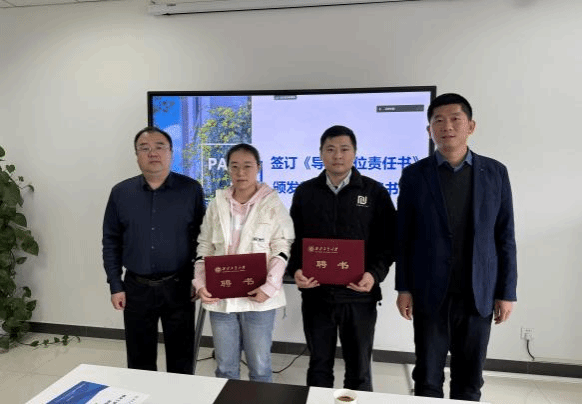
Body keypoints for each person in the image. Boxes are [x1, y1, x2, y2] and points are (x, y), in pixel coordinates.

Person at [395, 93, 517, 401]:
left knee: (469, 380)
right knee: (427, 378)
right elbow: (404, 237)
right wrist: (404, 288)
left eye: (455, 119)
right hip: (430, 294)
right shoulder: (414, 175)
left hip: (478, 294)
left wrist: (506, 292)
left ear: (470, 126)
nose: (446, 126)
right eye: (438, 120)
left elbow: (505, 236)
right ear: (429, 130)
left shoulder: (496, 173)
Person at [287, 125, 396, 392]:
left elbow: (389, 242)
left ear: (355, 153)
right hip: (317, 295)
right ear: (320, 153)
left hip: (358, 296)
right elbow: (293, 240)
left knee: (359, 370)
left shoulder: (375, 192)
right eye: (331, 149)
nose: (338, 155)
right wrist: (296, 269)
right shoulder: (305, 192)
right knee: (318, 366)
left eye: (344, 149)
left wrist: (374, 274)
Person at [102, 126, 205, 374]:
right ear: (136, 155)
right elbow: (111, 241)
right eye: (144, 148)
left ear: (171, 152)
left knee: (182, 359)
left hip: (179, 286)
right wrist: (115, 284)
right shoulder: (121, 193)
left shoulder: (191, 189)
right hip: (136, 288)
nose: (153, 153)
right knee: (139, 361)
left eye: (160, 147)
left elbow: (202, 239)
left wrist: (198, 278)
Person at [193, 143, 294, 383]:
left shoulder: (272, 203)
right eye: (234, 166)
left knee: (260, 368)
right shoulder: (217, 203)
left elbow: (282, 247)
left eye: (247, 166)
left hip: (258, 298)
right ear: (227, 169)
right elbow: (204, 246)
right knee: (225, 368)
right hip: (221, 297)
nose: (241, 172)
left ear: (258, 167)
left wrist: (270, 286)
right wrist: (200, 283)